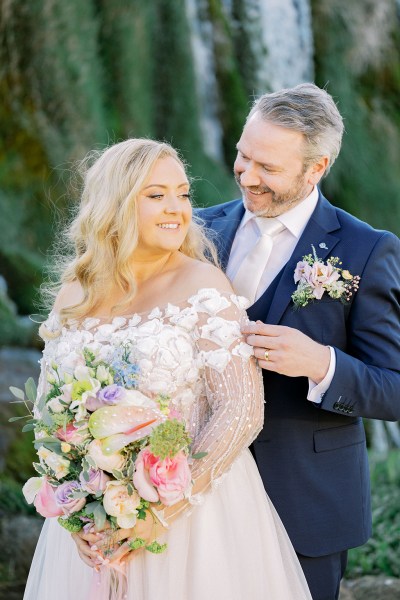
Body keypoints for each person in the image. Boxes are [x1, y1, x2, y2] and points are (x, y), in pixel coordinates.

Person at [23, 138, 312, 600]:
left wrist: (159, 513)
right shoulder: (74, 293)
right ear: (115, 205)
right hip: (96, 516)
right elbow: (48, 414)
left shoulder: (203, 285)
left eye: (183, 194)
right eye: (156, 195)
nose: (177, 209)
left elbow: (240, 412)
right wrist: (73, 510)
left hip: (193, 522)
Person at [198, 83, 400, 600]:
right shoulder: (199, 229)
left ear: (316, 168)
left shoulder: (367, 250)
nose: (247, 174)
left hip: (305, 499)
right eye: (244, 156)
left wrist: (322, 364)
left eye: (268, 167)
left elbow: (394, 386)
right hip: (195, 492)